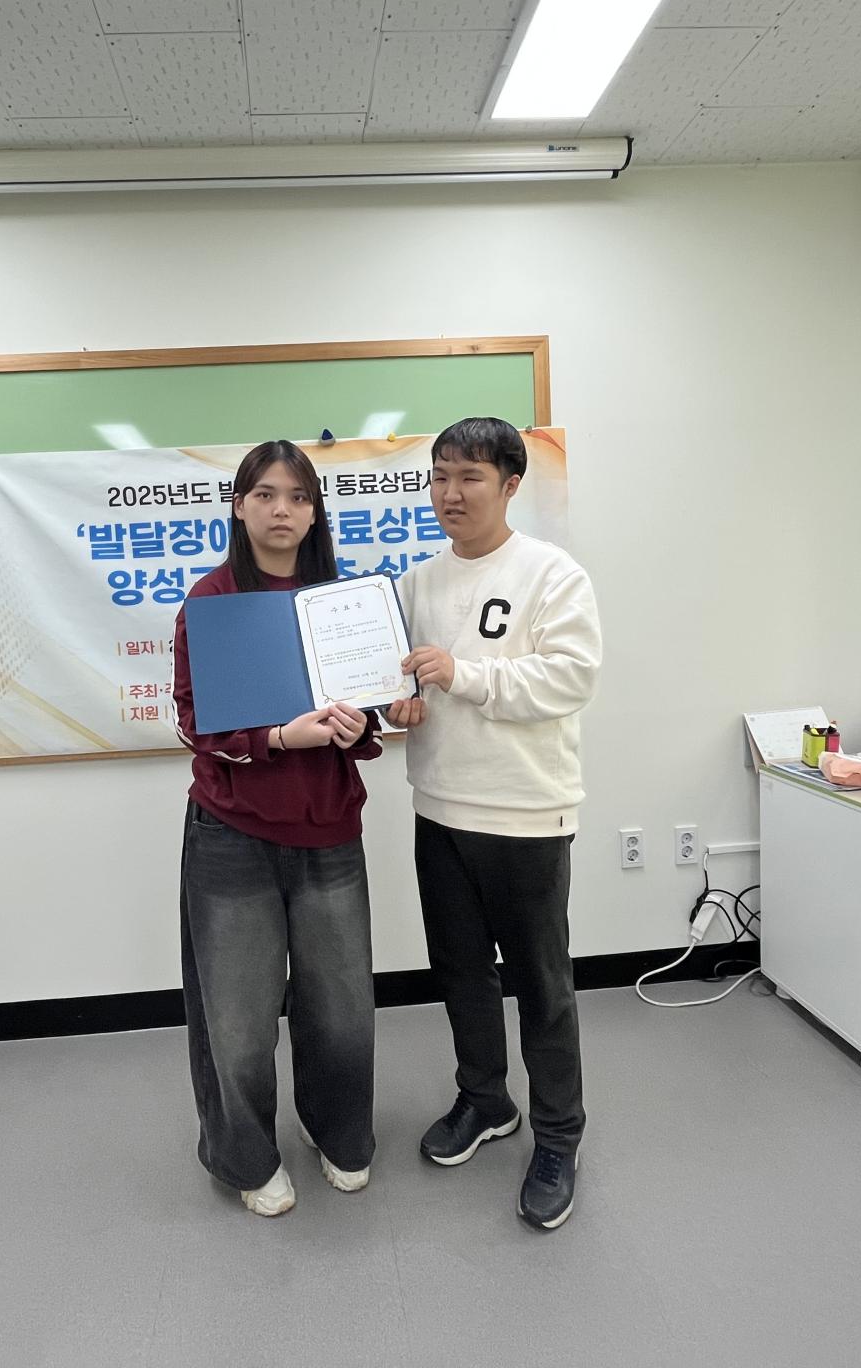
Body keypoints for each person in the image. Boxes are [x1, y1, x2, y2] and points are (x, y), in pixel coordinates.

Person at [386, 417, 602, 1230]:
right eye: (440, 475)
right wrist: (402, 705)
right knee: (461, 972)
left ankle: (558, 1137)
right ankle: (485, 1100)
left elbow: (569, 680)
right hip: (439, 805)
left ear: (511, 485)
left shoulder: (552, 574)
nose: (451, 493)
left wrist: (464, 675)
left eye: (470, 477)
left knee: (542, 985)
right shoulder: (416, 583)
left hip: (526, 812)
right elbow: (407, 686)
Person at [172, 439, 382, 1217]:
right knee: (235, 1015)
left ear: (315, 511)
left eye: (297, 496)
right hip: (231, 835)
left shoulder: (344, 601)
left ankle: (340, 1132)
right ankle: (246, 1157)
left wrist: (363, 723)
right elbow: (196, 723)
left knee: (341, 1004)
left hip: (329, 829)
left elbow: (372, 716)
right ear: (238, 506)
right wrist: (276, 739)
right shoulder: (211, 601)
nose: (281, 510)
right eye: (264, 494)